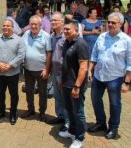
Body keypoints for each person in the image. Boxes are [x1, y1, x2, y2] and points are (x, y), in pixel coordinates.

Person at [87, 12, 131, 139]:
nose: (110, 24)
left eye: (113, 22)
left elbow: (130, 63)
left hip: (115, 78)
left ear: (121, 24)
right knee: (95, 100)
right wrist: (90, 70)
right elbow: (94, 55)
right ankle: (100, 123)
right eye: (109, 22)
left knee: (114, 103)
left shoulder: (127, 41)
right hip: (98, 75)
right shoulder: (102, 36)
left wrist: (126, 82)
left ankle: (113, 128)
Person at [58, 19, 89, 148]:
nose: (65, 31)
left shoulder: (81, 44)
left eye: (68, 29)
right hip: (66, 83)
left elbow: (83, 67)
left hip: (76, 85)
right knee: (69, 109)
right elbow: (65, 64)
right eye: (64, 29)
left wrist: (77, 86)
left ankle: (80, 137)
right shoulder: (66, 42)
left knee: (79, 112)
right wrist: (62, 81)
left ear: (76, 30)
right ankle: (71, 131)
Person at [0, 19, 26, 124]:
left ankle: (13, 113)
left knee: (13, 94)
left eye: (8, 26)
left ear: (12, 27)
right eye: (4, 26)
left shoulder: (19, 40)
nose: (5, 27)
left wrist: (10, 65)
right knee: (0, 93)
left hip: (12, 73)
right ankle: (1, 111)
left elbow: (21, 55)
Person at [21, 15, 52, 122]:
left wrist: (47, 69)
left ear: (40, 25)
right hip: (28, 69)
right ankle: (31, 110)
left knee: (42, 93)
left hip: (41, 70)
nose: (33, 26)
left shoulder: (46, 36)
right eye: (32, 24)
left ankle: (42, 112)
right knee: (29, 91)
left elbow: (49, 53)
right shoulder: (26, 34)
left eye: (36, 24)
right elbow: (20, 46)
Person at [47, 12, 70, 132]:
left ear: (62, 22)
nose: (53, 22)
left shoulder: (67, 36)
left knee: (66, 98)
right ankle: (60, 116)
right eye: (52, 20)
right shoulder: (52, 36)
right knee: (57, 96)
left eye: (56, 20)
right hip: (55, 72)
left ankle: (68, 122)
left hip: (64, 73)